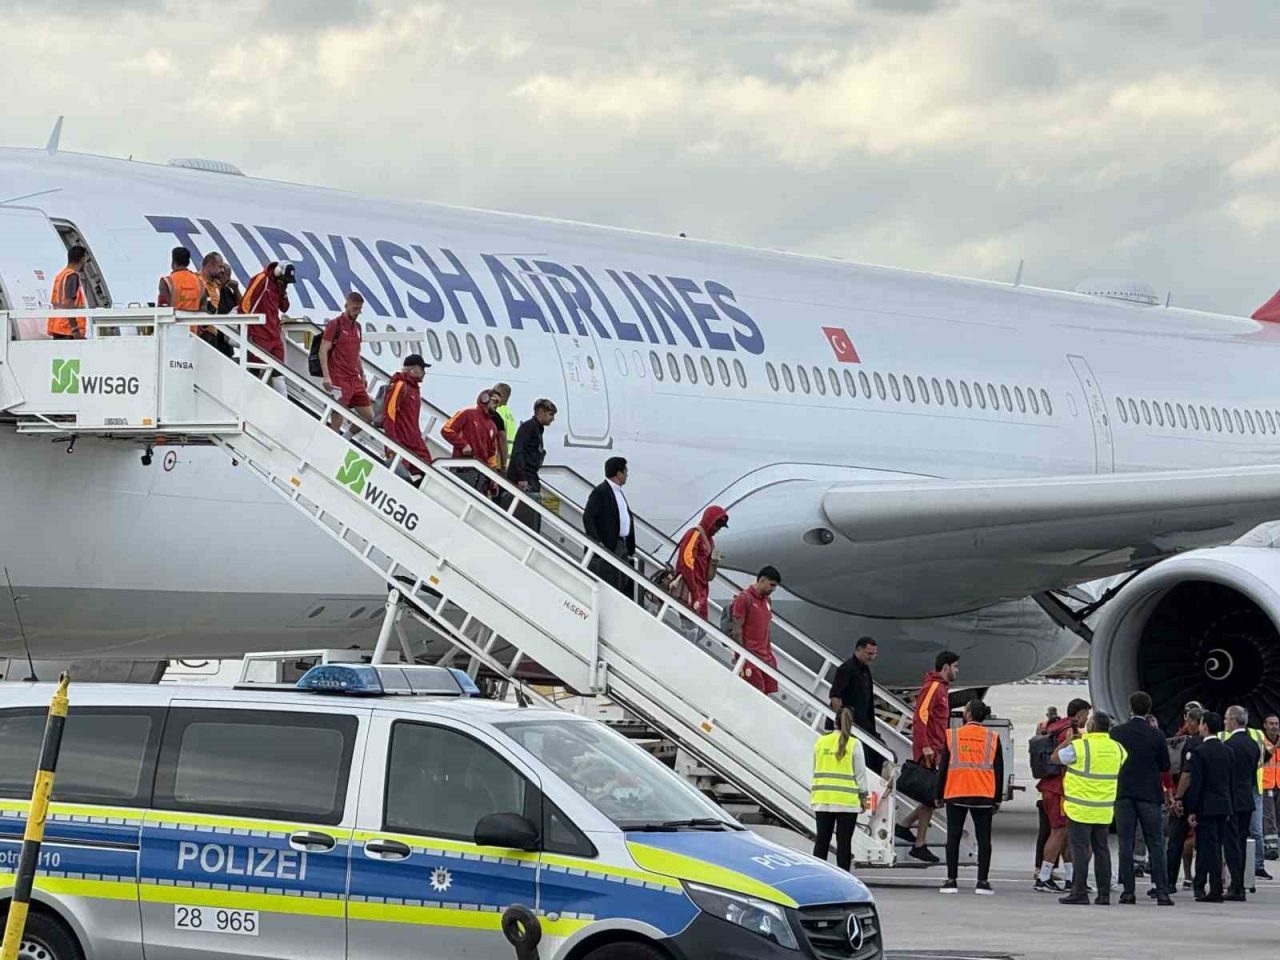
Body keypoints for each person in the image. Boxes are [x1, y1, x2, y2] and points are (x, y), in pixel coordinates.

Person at [1055, 710, 1127, 905]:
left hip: (1080, 807)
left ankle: (1079, 891)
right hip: (1103, 808)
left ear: (1092, 726)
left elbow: (1056, 758)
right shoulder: (1118, 748)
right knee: (1102, 849)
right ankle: (1104, 894)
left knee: (1079, 850)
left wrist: (1069, 741)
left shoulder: (1081, 746)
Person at [1110, 691, 1173, 904]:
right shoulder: (1156, 734)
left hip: (1124, 793)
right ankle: (1161, 890)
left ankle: (1128, 891)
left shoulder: (1117, 732)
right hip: (1149, 794)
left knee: (1125, 843)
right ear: (1148, 709)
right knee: (1155, 842)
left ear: (1130, 707)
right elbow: (1165, 765)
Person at [936, 699, 1002, 895]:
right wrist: (996, 798)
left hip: (957, 792)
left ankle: (951, 880)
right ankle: (982, 881)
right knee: (984, 840)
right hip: (983, 794)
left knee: (953, 838)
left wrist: (939, 794)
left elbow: (944, 768)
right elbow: (999, 770)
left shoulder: (953, 736)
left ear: (968, 715)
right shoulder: (992, 737)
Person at [906, 651, 959, 864]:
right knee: (933, 796)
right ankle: (916, 840)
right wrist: (926, 746)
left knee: (931, 798)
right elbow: (920, 716)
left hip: (936, 749)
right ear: (945, 667)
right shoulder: (935, 687)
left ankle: (914, 836)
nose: (957, 670)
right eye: (955, 666)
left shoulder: (941, 689)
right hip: (930, 752)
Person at [1035, 698, 1091, 893]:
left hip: (1050, 786)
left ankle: (1070, 878)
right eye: (1086, 714)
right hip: (1060, 788)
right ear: (1080, 713)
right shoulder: (1071, 731)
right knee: (1058, 832)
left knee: (1065, 834)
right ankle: (1043, 878)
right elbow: (1067, 759)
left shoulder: (1054, 726)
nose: (1087, 719)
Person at [811, 708, 867, 873]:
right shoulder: (854, 744)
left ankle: (818, 876)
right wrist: (866, 801)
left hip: (822, 799)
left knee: (822, 840)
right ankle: (844, 877)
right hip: (847, 802)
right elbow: (861, 776)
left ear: (834, 722)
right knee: (844, 843)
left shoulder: (821, 742)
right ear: (851, 724)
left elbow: (815, 768)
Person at [1185, 711, 1232, 902]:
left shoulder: (1200, 752)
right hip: (1224, 805)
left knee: (1207, 849)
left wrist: (1192, 810)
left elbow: (1196, 784)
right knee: (1217, 846)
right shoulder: (1228, 750)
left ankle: (1212, 888)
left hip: (1207, 806)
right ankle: (1210, 884)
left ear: (1204, 727)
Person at [829, 637, 886, 776]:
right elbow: (835, 696)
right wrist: (842, 722)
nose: (872, 657)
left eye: (874, 654)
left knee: (878, 752)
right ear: (858, 649)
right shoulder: (846, 669)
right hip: (852, 724)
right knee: (865, 757)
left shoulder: (865, 670)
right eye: (869, 653)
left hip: (865, 723)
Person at [583, 457, 637, 597]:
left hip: (621, 544)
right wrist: (597, 542)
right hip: (610, 545)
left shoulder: (618, 492)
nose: (627, 475)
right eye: (625, 471)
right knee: (612, 580)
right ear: (618, 474)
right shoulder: (601, 492)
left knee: (622, 579)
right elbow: (588, 516)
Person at [1222, 704, 1260, 900]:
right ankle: (1240, 886)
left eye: (1227, 719)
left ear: (1234, 721)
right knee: (1242, 843)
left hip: (1231, 801)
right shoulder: (1253, 745)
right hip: (1247, 800)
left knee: (1231, 844)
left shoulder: (1229, 746)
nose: (1224, 722)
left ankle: (1235, 886)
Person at [319, 293, 373, 431]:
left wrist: (362, 374)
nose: (357, 312)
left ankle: (346, 436)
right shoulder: (335, 324)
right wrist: (326, 376)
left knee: (369, 416)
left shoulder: (358, 327)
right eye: (355, 308)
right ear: (346, 305)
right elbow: (323, 350)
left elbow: (356, 353)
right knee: (338, 412)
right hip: (339, 377)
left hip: (354, 378)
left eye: (359, 309)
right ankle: (331, 440)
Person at [377, 354, 433, 481]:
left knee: (430, 472)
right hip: (400, 441)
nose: (424, 373)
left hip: (415, 442)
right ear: (413, 369)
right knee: (401, 476)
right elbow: (390, 414)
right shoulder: (401, 385)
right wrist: (391, 442)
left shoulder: (414, 389)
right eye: (422, 369)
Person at [1167, 706, 1205, 892]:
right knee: (1204, 842)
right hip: (1204, 799)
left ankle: (1170, 882)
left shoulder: (1192, 744)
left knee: (1176, 840)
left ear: (1199, 723)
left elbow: (1185, 774)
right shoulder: (1212, 743)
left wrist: (1178, 797)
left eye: (1190, 721)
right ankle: (1200, 883)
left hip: (1188, 797)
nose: (1186, 724)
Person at [507, 399, 557, 532]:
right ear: (541, 412)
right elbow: (518, 451)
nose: (553, 419)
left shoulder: (537, 429)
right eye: (551, 414)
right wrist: (522, 477)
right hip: (525, 477)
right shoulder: (529, 427)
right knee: (526, 515)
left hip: (531, 475)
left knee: (533, 514)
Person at [729, 567, 782, 694]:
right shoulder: (744, 598)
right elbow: (736, 630)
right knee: (754, 694)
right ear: (762, 580)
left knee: (766, 694)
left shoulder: (767, 601)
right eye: (772, 585)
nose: (773, 589)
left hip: (766, 656)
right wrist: (741, 656)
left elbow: (766, 628)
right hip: (750, 657)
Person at [673, 506, 729, 620]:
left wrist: (713, 562)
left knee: (700, 629)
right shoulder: (694, 534)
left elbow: (709, 577)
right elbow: (686, 563)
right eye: (717, 525)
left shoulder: (710, 542)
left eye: (720, 527)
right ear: (709, 521)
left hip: (702, 591)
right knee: (690, 625)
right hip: (691, 589)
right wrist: (694, 592)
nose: (717, 529)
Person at [240, 261, 295, 374]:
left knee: (278, 371)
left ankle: (281, 392)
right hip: (259, 332)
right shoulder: (262, 279)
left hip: (274, 332)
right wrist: (246, 326)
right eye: (284, 280)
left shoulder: (280, 286)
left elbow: (284, 308)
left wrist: (283, 290)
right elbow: (245, 304)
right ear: (278, 272)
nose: (284, 282)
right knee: (254, 367)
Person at [442, 390, 500, 493]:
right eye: (495, 401)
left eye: (498, 403)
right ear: (485, 398)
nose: (497, 405)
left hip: (481, 476)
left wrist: (493, 478)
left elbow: (491, 456)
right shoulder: (468, 413)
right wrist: (463, 444)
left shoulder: (493, 426)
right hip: (462, 469)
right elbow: (446, 430)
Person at [47, 244, 90, 339]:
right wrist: (75, 329)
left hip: (58, 327)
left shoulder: (61, 275)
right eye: (86, 260)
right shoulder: (72, 276)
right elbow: (68, 303)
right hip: (68, 329)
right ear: (82, 259)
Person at [156, 245, 207, 314]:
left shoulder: (166, 281)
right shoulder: (200, 282)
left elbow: (163, 309)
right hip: (194, 324)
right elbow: (203, 310)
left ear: (173, 262)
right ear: (188, 263)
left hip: (173, 324)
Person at [1262, 714, 1279, 865]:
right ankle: (1271, 848)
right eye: (1271, 723)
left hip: (1279, 784)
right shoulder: (1262, 741)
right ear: (1265, 725)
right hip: (1266, 784)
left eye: (1276, 723)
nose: (1274, 726)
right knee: (1269, 817)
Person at [492, 382, 516, 471]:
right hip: (509, 460)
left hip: (499, 460)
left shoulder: (497, 412)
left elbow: (499, 439)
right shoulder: (509, 414)